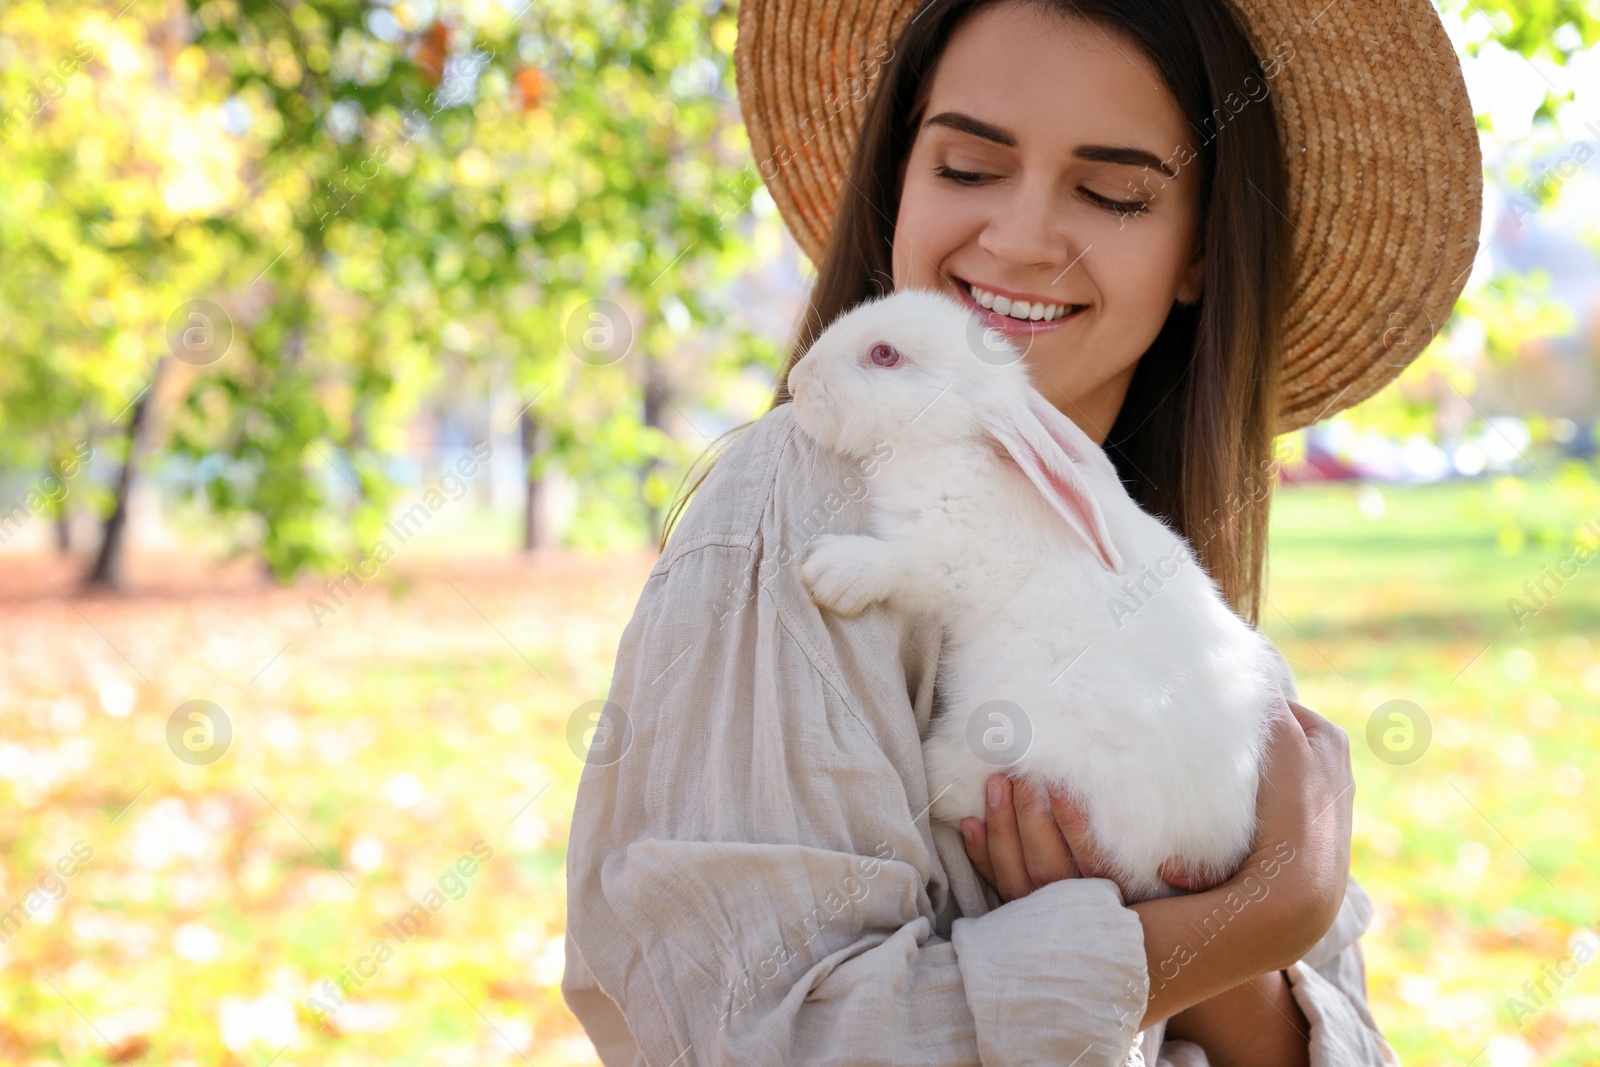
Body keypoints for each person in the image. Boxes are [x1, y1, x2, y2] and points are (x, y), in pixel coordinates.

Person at [563, 0, 1481, 1063]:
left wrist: (1232, 954)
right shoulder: (800, 504)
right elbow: (753, 1035)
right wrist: (1250, 916)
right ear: (899, 181)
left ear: (1197, 252)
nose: (1019, 238)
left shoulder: (1149, 567)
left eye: (1111, 193)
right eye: (964, 169)